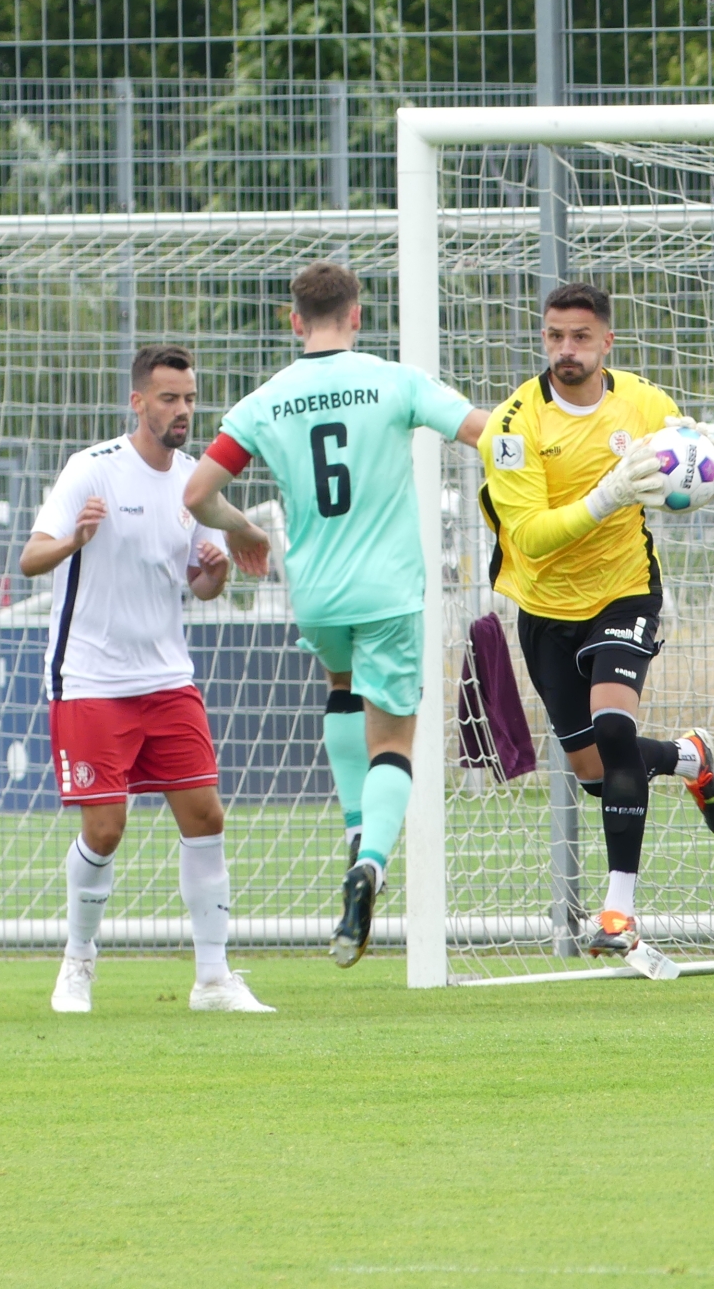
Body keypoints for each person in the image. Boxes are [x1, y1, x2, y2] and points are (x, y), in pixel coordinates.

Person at [185, 262, 488, 967]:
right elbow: (479, 431)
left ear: (296, 322)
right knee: (395, 742)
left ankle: (356, 833)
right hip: (388, 591)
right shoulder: (396, 381)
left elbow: (197, 493)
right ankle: (370, 866)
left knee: (342, 687)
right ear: (356, 315)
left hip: (317, 593)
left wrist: (244, 529)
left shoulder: (265, 400)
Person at [477, 282, 714, 959]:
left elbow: (689, 454)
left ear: (607, 341)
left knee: (615, 728)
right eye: (555, 336)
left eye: (581, 337)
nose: (567, 349)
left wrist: (698, 464)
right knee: (594, 772)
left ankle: (618, 912)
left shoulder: (644, 403)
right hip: (544, 608)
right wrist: (609, 493)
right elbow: (530, 538)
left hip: (625, 592)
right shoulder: (512, 428)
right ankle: (687, 757)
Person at [22, 344, 275, 1014]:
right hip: (91, 680)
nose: (183, 410)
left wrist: (214, 573)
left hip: (167, 679)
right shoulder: (92, 469)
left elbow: (199, 584)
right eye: (169, 398)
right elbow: (31, 558)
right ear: (138, 402)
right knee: (106, 830)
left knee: (206, 816)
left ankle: (214, 979)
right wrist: (74, 541)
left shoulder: (195, 484)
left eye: (189, 398)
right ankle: (77, 962)